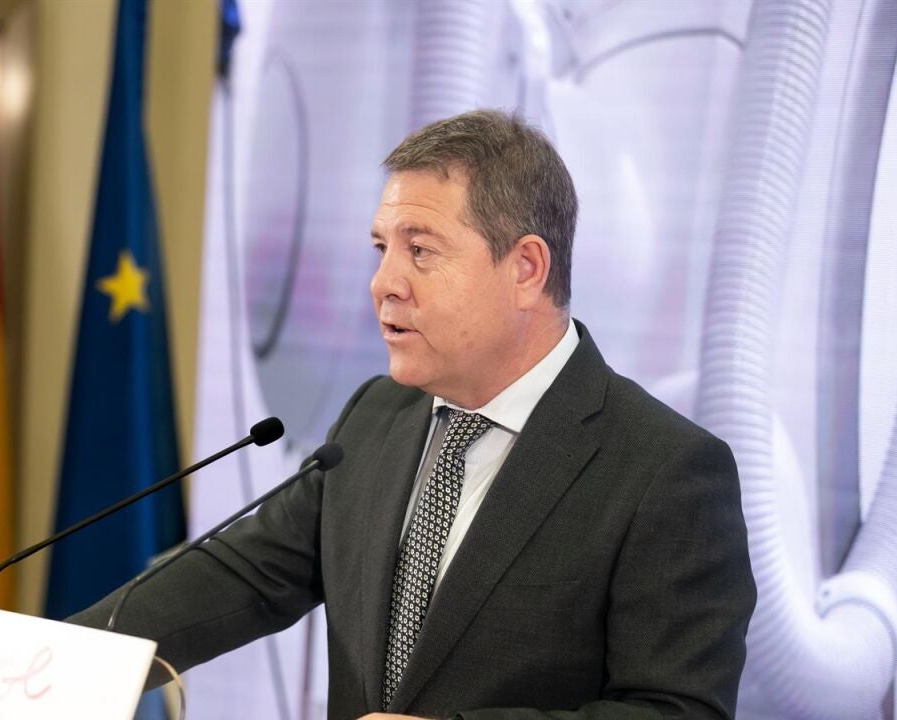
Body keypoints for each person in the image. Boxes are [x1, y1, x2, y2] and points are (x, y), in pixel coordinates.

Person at [70, 109, 756, 720]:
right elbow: (242, 574)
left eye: (420, 250)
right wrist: (55, 660)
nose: (383, 283)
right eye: (382, 248)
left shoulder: (665, 471)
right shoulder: (376, 416)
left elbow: (676, 710)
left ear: (525, 269)